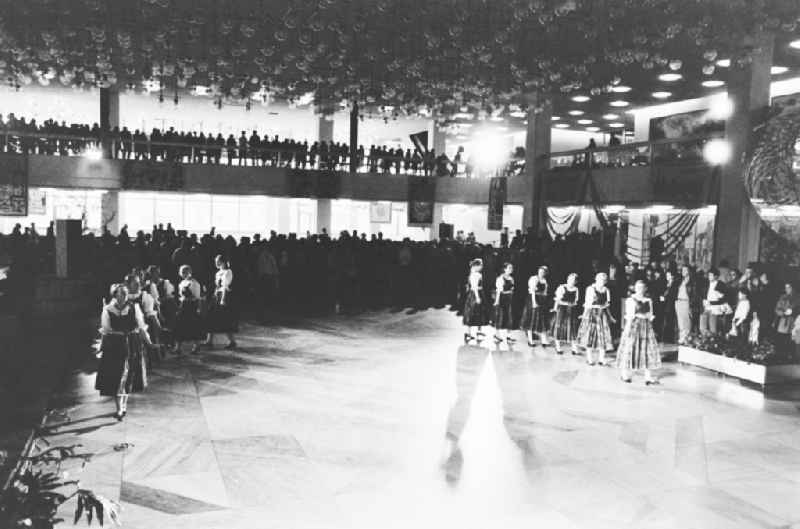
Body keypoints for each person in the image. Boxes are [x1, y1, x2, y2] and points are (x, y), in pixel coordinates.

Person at [95, 283, 153, 421]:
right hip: (115, 345)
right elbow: (106, 331)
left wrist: (149, 342)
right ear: (115, 294)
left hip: (132, 344)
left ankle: (123, 405)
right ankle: (119, 408)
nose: (125, 295)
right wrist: (101, 348)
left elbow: (141, 327)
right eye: (122, 293)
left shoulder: (134, 307)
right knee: (117, 376)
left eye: (126, 293)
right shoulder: (108, 309)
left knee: (129, 376)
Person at [616, 280, 661, 384]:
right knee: (630, 348)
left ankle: (648, 377)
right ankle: (625, 375)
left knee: (647, 349)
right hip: (634, 325)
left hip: (646, 326)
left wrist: (650, 327)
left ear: (645, 289)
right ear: (634, 288)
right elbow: (629, 317)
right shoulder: (631, 300)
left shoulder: (648, 300)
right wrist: (627, 329)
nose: (640, 289)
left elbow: (650, 315)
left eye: (642, 287)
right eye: (638, 287)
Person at [577, 272, 614, 366]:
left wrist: (610, 316)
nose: (603, 281)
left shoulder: (606, 290)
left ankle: (602, 358)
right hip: (592, 313)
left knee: (604, 336)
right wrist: (584, 315)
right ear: (596, 279)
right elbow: (588, 304)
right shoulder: (590, 289)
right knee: (590, 335)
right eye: (601, 279)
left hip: (602, 314)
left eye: (604, 280)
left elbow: (606, 305)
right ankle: (589, 358)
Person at [125, 273, 161, 360]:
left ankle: (149, 359)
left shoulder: (144, 295)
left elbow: (150, 312)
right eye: (135, 284)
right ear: (128, 285)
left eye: (139, 283)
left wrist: (156, 322)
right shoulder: (123, 296)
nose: (138, 285)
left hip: (144, 322)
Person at [205, 255, 238, 349]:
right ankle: (209, 341)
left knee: (225, 319)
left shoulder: (228, 272)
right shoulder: (218, 272)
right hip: (217, 295)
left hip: (224, 296)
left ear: (222, 262)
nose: (216, 263)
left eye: (217, 261)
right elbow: (217, 286)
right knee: (211, 317)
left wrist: (223, 299)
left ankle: (232, 341)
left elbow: (225, 287)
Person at [174, 264, 204, 354]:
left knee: (193, 326)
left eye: (185, 272)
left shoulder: (194, 283)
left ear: (190, 272)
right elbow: (181, 296)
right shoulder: (182, 283)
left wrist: (199, 308)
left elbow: (197, 297)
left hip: (192, 306)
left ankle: (196, 346)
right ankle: (178, 347)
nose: (183, 274)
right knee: (180, 326)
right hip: (183, 305)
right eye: (182, 272)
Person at [551, 273, 580, 355]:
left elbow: (575, 301)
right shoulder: (562, 287)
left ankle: (574, 348)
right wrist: (555, 309)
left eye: (574, 280)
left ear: (576, 282)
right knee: (559, 327)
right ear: (567, 280)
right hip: (562, 309)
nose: (571, 282)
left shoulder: (576, 289)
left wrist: (572, 305)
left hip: (572, 310)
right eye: (570, 279)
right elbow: (557, 300)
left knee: (573, 328)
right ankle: (558, 347)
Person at [520, 266, 549, 347]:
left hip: (542, 300)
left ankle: (544, 340)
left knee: (542, 320)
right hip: (534, 299)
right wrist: (534, 302)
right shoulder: (534, 279)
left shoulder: (544, 280)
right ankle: (530, 340)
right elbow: (532, 291)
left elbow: (545, 292)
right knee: (531, 320)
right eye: (540, 272)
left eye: (543, 272)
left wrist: (544, 301)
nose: (541, 273)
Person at [699, 268, 729, 336]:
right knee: (702, 325)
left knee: (713, 327)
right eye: (708, 275)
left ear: (716, 276)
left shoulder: (721, 285)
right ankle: (704, 339)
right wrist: (704, 301)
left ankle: (712, 340)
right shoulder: (706, 284)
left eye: (711, 275)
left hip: (716, 309)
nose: (709, 277)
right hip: (706, 307)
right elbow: (703, 294)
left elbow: (723, 299)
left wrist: (712, 303)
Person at [462, 258, 485, 343]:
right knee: (474, 313)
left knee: (477, 313)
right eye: (480, 265)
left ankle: (473, 332)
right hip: (475, 295)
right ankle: (472, 333)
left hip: (477, 293)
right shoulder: (475, 275)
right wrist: (477, 297)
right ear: (476, 266)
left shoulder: (475, 274)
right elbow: (474, 287)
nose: (482, 267)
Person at [493, 262, 515, 344]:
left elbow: (512, 288)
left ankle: (509, 336)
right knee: (500, 317)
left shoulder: (511, 278)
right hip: (502, 299)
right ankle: (497, 335)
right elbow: (498, 291)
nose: (511, 270)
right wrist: (497, 301)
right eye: (509, 268)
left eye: (511, 268)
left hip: (509, 299)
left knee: (509, 317)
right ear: (504, 269)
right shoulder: (500, 278)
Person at [674, 265, 696, 345]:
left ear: (689, 271)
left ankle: (687, 338)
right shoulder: (680, 280)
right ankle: (681, 337)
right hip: (678, 301)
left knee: (686, 321)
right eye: (682, 270)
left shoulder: (692, 282)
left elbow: (693, 294)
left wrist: (691, 304)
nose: (683, 272)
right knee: (680, 321)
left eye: (685, 270)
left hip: (686, 302)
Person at [774, 282, 799, 353]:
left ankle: (791, 355)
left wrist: (793, 311)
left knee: (791, 339)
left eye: (789, 287)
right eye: (786, 288)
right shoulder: (782, 297)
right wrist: (783, 313)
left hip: (793, 321)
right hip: (783, 321)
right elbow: (777, 309)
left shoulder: (797, 297)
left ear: (792, 288)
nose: (787, 289)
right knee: (781, 339)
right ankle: (782, 355)